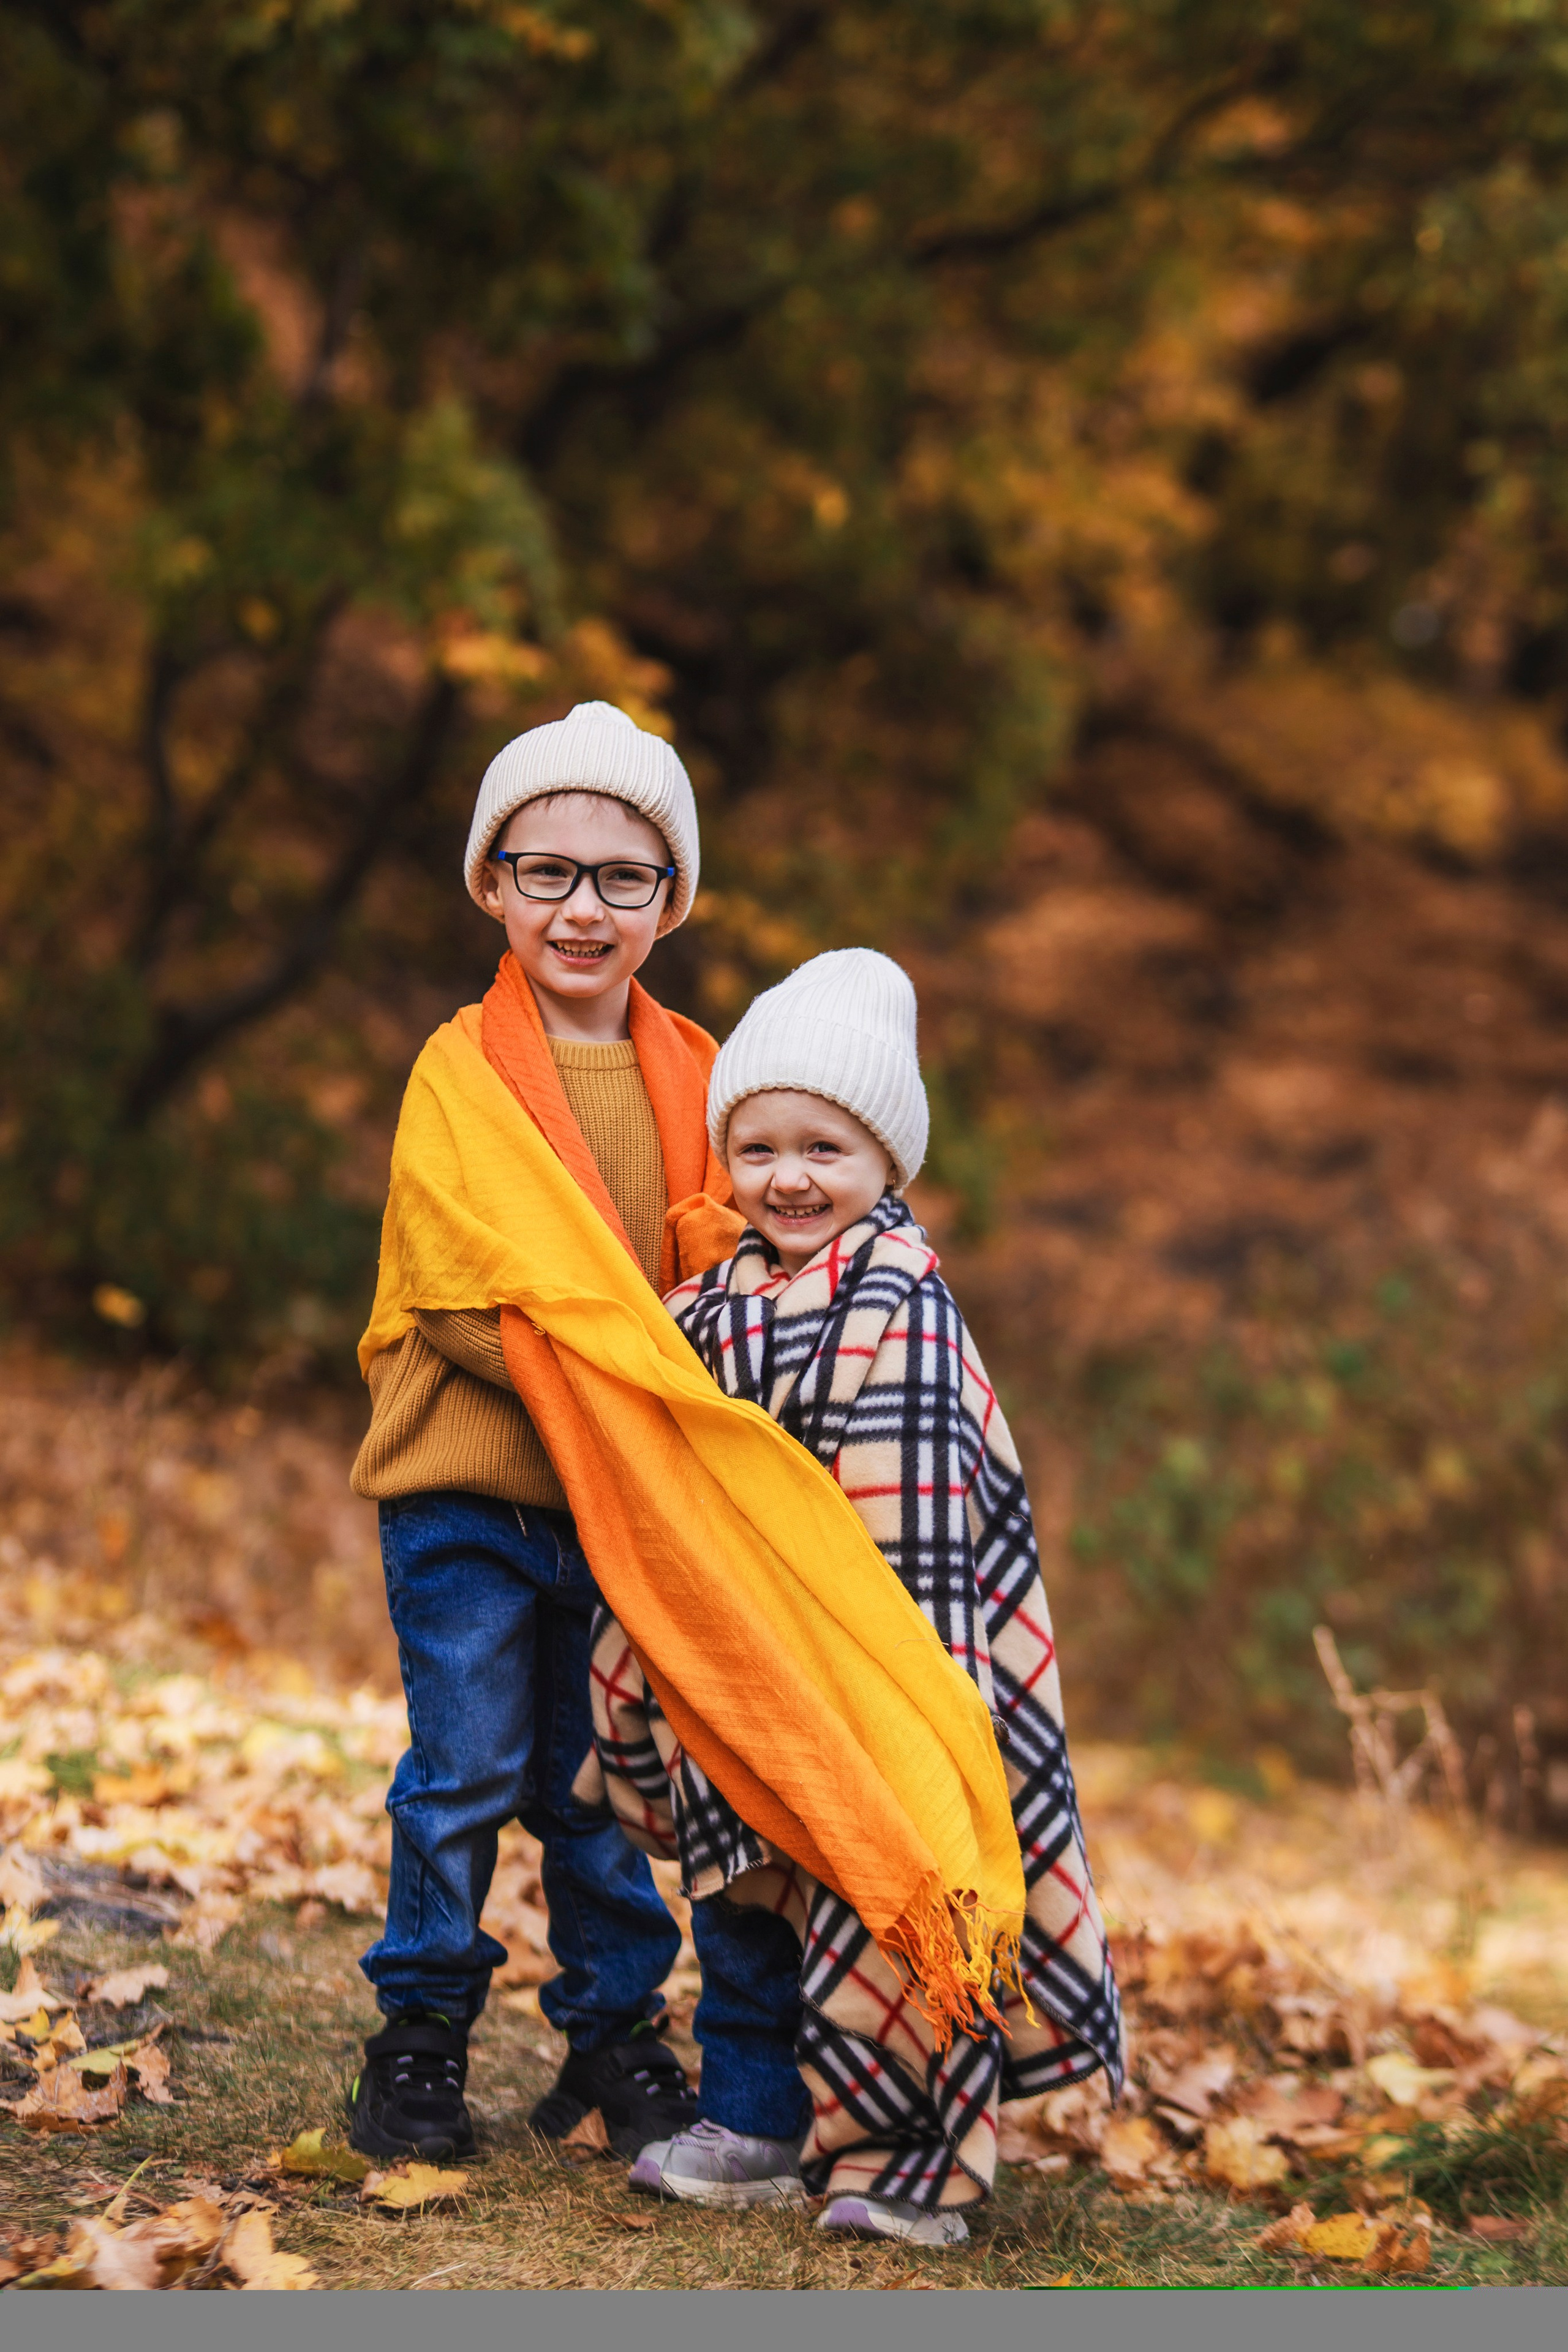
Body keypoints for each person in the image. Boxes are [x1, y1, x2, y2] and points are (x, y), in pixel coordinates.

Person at [591, 948, 1123, 2245]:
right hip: (738, 1669)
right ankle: (758, 2119)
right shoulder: (701, 1309)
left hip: (879, 1667)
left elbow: (922, 1506)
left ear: (886, 1162)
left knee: (886, 1899)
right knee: (742, 1914)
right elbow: (660, 1489)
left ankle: (911, 2162)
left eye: (822, 1147)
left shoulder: (904, 1303)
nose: (786, 1176)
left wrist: (900, 1684)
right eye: (758, 1146)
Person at [347, 699, 733, 2163]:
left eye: (621, 876)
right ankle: (421, 2039)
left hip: (622, 1512)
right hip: (472, 1497)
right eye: (547, 870)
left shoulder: (699, 1075)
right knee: (460, 1774)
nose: (583, 905)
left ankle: (615, 2038)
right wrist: (631, 1371)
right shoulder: (461, 1070)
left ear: (668, 900)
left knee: (603, 1790)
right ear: (492, 883)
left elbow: (730, 1272)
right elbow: (459, 1292)